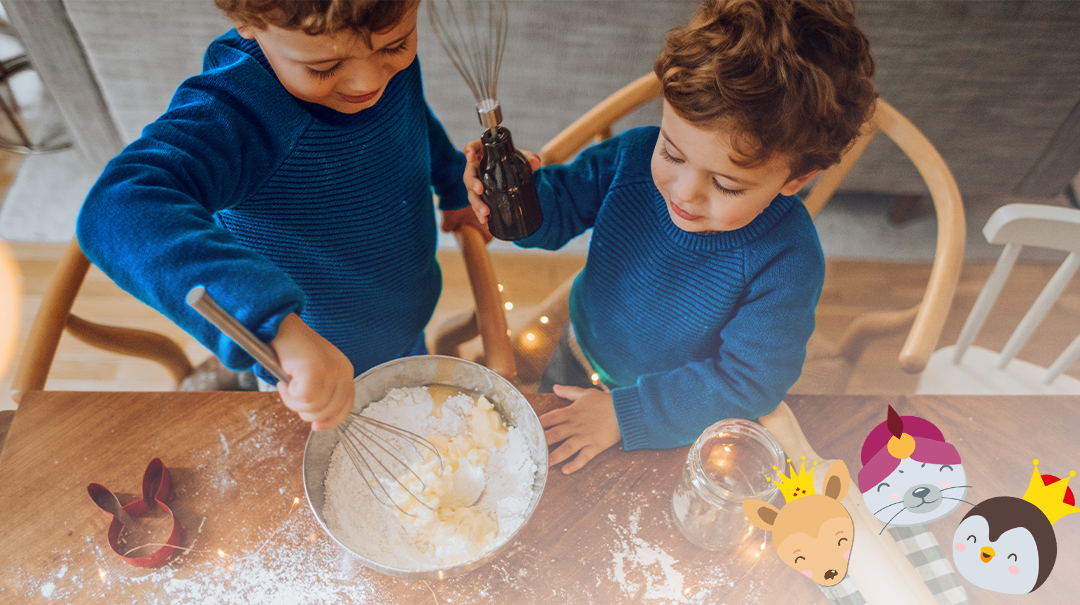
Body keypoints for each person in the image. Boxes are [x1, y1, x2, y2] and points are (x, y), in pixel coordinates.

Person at [463, 0, 877, 473]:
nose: (684, 193)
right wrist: (512, 202)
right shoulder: (633, 159)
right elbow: (552, 218)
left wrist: (626, 414)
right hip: (579, 355)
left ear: (795, 180)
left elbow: (748, 383)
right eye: (672, 153)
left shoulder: (787, 258)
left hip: (682, 414)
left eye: (726, 184)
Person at [76, 0, 481, 431]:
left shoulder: (376, 59)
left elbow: (408, 119)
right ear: (246, 22)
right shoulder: (238, 115)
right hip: (308, 362)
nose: (369, 81)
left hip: (403, 315)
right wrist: (272, 328)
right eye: (324, 67)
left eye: (397, 46)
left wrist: (453, 181)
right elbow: (117, 206)